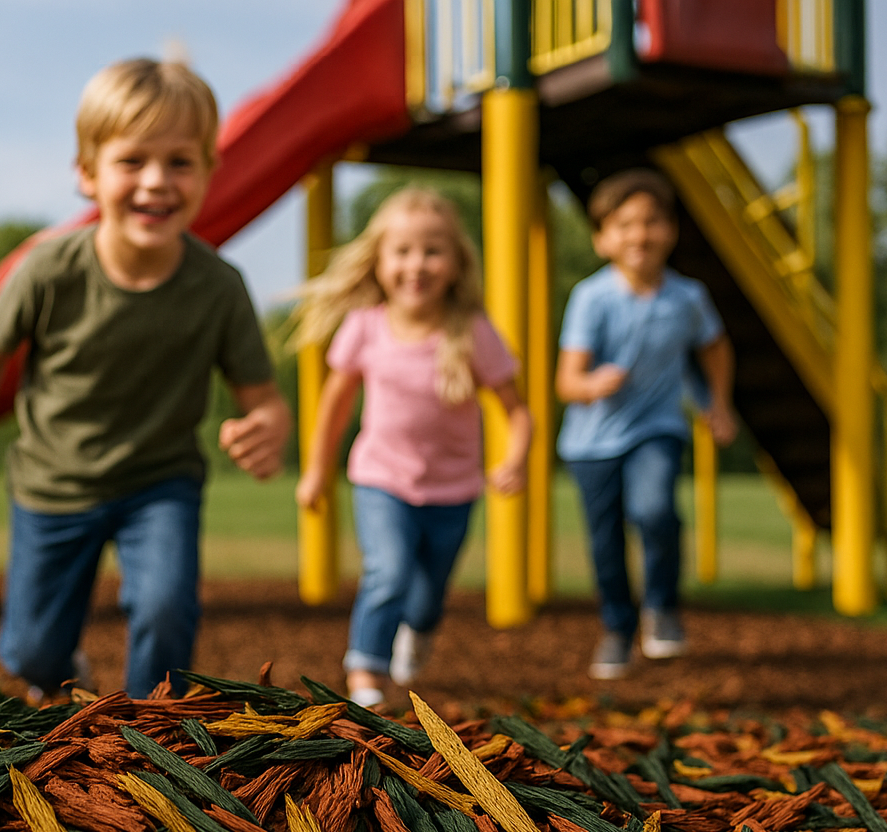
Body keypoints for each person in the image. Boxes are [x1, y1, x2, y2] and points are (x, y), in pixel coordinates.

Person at [0, 58, 291, 700]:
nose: (157, 181)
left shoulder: (218, 287)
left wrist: (269, 428)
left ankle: (151, 728)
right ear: (87, 173)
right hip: (53, 483)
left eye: (180, 162)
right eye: (132, 161)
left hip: (160, 485)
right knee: (32, 652)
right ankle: (57, 672)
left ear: (209, 173)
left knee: (167, 608)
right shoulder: (49, 270)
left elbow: (265, 400)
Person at [295, 188, 531, 709]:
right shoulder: (366, 327)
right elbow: (334, 405)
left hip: (453, 491)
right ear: (378, 261)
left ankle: (417, 634)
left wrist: (513, 459)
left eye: (431, 251)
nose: (416, 265)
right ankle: (365, 673)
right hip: (381, 479)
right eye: (401, 251)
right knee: (389, 571)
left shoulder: (472, 331)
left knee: (426, 599)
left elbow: (517, 410)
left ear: (455, 262)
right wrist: (316, 471)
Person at [556, 168, 737, 680]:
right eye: (624, 223)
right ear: (602, 238)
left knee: (655, 509)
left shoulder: (688, 298)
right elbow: (566, 382)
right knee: (606, 542)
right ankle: (617, 630)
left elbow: (715, 346)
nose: (640, 233)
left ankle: (661, 609)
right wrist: (594, 385)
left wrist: (715, 403)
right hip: (591, 443)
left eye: (652, 221)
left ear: (671, 230)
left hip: (657, 427)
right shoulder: (593, 298)